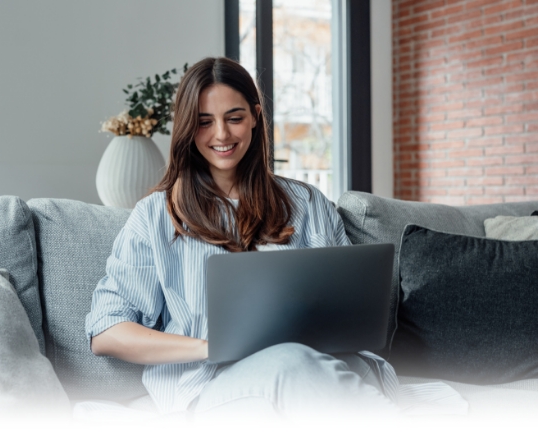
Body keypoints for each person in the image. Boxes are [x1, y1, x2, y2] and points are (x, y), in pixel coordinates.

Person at [84, 57, 409, 419]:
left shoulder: (307, 202)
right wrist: (210, 347)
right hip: (210, 384)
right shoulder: (155, 216)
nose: (221, 135)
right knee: (291, 362)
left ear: (255, 116)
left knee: (330, 365)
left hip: (318, 367)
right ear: (188, 129)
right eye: (204, 122)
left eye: (234, 118)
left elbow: (347, 312)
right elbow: (107, 331)